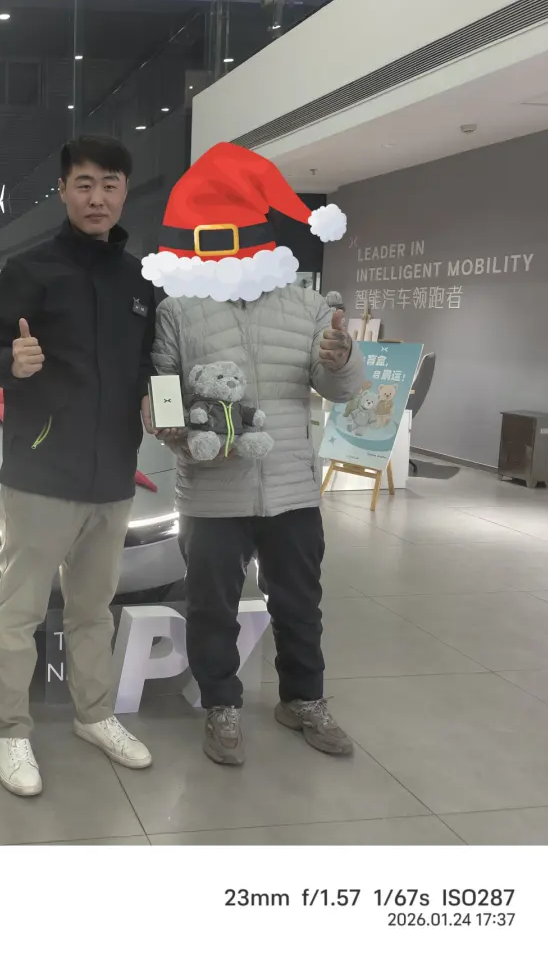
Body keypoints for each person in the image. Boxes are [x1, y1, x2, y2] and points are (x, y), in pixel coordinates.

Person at [140, 141, 364, 767]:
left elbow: (340, 388)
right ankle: (222, 704)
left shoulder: (310, 307)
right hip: (210, 490)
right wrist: (168, 425)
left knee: (300, 602)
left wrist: (343, 360)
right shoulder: (178, 311)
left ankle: (304, 699)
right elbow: (162, 381)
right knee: (211, 606)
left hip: (291, 486)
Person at [0, 135, 156, 797]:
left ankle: (94, 714)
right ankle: (9, 729)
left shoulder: (139, 280)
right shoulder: (30, 270)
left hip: (113, 475)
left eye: (109, 184)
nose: (96, 197)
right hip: (42, 473)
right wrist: (11, 363)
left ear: (124, 192)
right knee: (18, 610)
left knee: (93, 609)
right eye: (84, 184)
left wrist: (157, 401)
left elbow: (149, 365)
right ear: (62, 191)